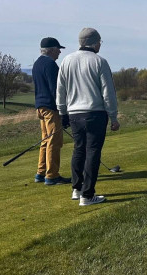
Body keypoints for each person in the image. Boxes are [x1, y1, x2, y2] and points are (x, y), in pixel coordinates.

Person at [56, 28, 120, 206]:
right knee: (92, 152)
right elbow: (108, 93)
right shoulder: (99, 61)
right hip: (95, 113)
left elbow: (60, 90)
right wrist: (113, 116)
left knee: (79, 149)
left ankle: (77, 189)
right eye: (99, 41)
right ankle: (87, 194)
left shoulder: (66, 60)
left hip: (74, 113)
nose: (100, 45)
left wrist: (62, 112)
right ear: (94, 42)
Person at [32, 37, 70, 186]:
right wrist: (63, 111)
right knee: (54, 142)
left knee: (45, 141)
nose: (60, 52)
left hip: (40, 108)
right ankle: (52, 175)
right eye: (58, 49)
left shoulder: (37, 64)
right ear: (52, 50)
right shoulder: (51, 65)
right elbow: (57, 91)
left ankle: (41, 172)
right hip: (51, 108)